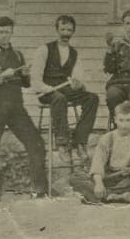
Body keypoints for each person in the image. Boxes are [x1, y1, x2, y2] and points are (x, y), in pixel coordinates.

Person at [0, 16, 48, 200]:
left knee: (35, 142)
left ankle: (38, 187)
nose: (5, 36)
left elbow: (26, 84)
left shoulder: (18, 56)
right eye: (1, 32)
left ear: (12, 33)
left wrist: (25, 76)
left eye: (8, 32)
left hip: (15, 106)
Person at [29, 14, 99, 165]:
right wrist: (47, 89)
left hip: (65, 91)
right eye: (63, 29)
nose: (66, 33)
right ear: (56, 30)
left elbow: (78, 77)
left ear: (73, 32)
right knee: (59, 98)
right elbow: (35, 80)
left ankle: (80, 142)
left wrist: (78, 84)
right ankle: (62, 144)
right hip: (46, 92)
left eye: (69, 30)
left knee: (92, 98)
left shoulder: (74, 53)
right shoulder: (44, 49)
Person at [70, 101, 130, 204]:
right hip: (108, 176)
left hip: (126, 177)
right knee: (74, 177)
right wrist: (98, 183)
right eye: (121, 120)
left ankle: (102, 196)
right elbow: (98, 164)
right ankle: (115, 196)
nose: (124, 125)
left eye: (128, 120)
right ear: (115, 120)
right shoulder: (107, 138)